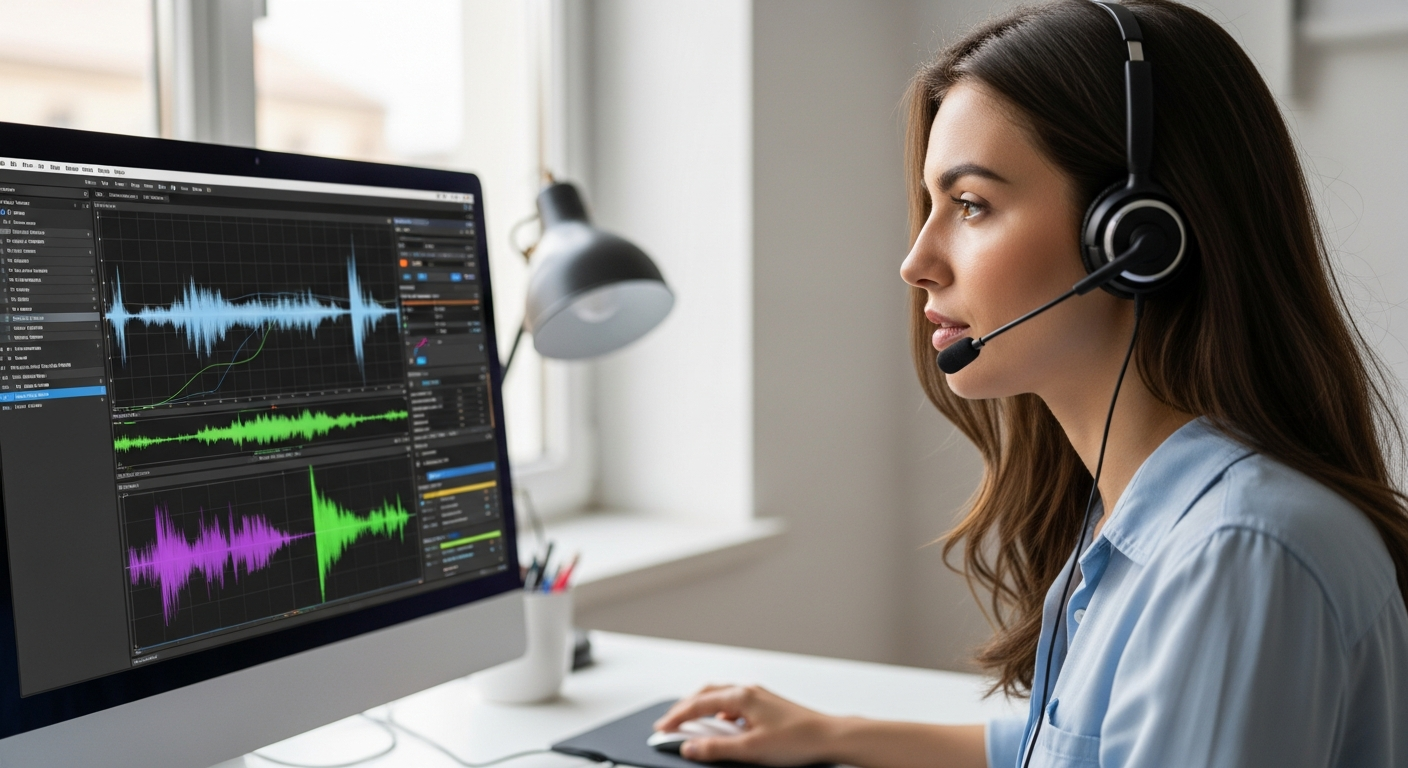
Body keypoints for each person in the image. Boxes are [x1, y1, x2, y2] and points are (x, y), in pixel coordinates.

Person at [652, 1, 1408, 766]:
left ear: (1136, 237)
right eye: (932, 205)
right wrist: (836, 735)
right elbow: (1083, 745)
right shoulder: (1149, 514)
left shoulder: (1238, 558)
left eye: (971, 205)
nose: (916, 263)